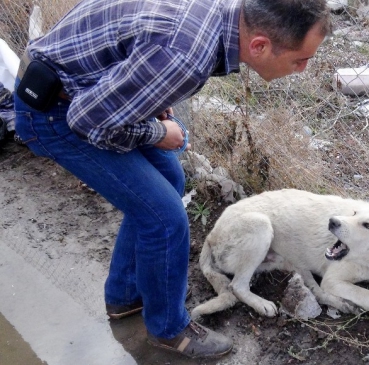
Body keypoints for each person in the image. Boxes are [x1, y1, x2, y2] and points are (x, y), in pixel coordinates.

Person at [14, 0, 332, 359]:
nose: (303, 69)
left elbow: (134, 60)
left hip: (77, 87)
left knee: (168, 176)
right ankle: (168, 330)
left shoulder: (215, 18)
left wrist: (148, 98)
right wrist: (155, 131)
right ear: (259, 45)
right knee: (164, 218)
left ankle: (124, 296)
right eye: (300, 59)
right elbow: (88, 121)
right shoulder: (185, 55)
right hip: (51, 112)